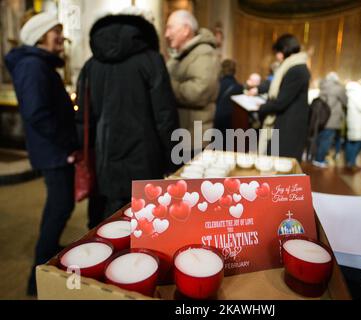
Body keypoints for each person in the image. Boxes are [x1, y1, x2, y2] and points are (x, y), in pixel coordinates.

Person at [76, 12, 179, 219]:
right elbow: (165, 115)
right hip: (145, 159)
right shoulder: (151, 60)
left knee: (111, 222)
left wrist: (85, 152)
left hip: (106, 159)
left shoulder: (91, 65)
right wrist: (173, 158)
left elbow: (83, 117)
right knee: (146, 220)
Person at [4, 12, 77, 296]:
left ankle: (46, 259)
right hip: (54, 152)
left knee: (60, 206)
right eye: (55, 31)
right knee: (58, 208)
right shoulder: (33, 66)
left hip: (54, 150)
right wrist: (66, 144)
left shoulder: (39, 64)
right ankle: (38, 276)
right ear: (40, 36)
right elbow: (37, 113)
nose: (61, 35)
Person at [165, 10, 220, 156]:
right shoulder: (182, 53)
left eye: (170, 28)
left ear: (185, 30)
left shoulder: (204, 52)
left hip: (194, 139)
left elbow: (199, 92)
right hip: (180, 134)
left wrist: (165, 85)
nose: (166, 34)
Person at [257, 34, 310, 162]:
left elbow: (281, 102)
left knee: (281, 165)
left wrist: (261, 107)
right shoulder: (293, 67)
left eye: (278, 52)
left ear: (285, 50)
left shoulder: (297, 69)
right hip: (286, 123)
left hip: (290, 127)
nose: (277, 56)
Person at [313, 72, 347, 168]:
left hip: (321, 117)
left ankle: (316, 157)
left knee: (320, 138)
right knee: (327, 140)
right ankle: (320, 160)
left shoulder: (323, 86)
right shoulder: (339, 89)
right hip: (332, 117)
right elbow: (345, 101)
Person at [344, 79, 361, 173]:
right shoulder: (359, 93)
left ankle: (349, 161)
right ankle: (351, 162)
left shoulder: (351, 92)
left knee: (351, 141)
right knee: (358, 142)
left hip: (352, 120)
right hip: (358, 121)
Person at [214, 59, 243, 137]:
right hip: (231, 121)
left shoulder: (216, 85)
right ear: (234, 71)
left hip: (215, 118)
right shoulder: (238, 87)